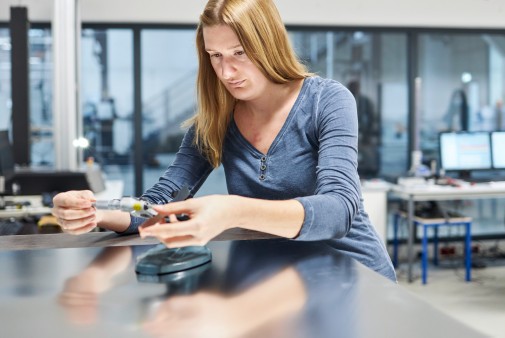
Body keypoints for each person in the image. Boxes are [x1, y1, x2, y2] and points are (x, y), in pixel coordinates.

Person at [51, 0, 396, 282]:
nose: (226, 72)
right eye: (215, 56)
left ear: (269, 45)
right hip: (284, 280)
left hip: (354, 274)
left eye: (239, 53)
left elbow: (339, 211)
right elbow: (158, 204)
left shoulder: (327, 100)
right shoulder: (215, 121)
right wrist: (98, 212)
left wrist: (232, 211)